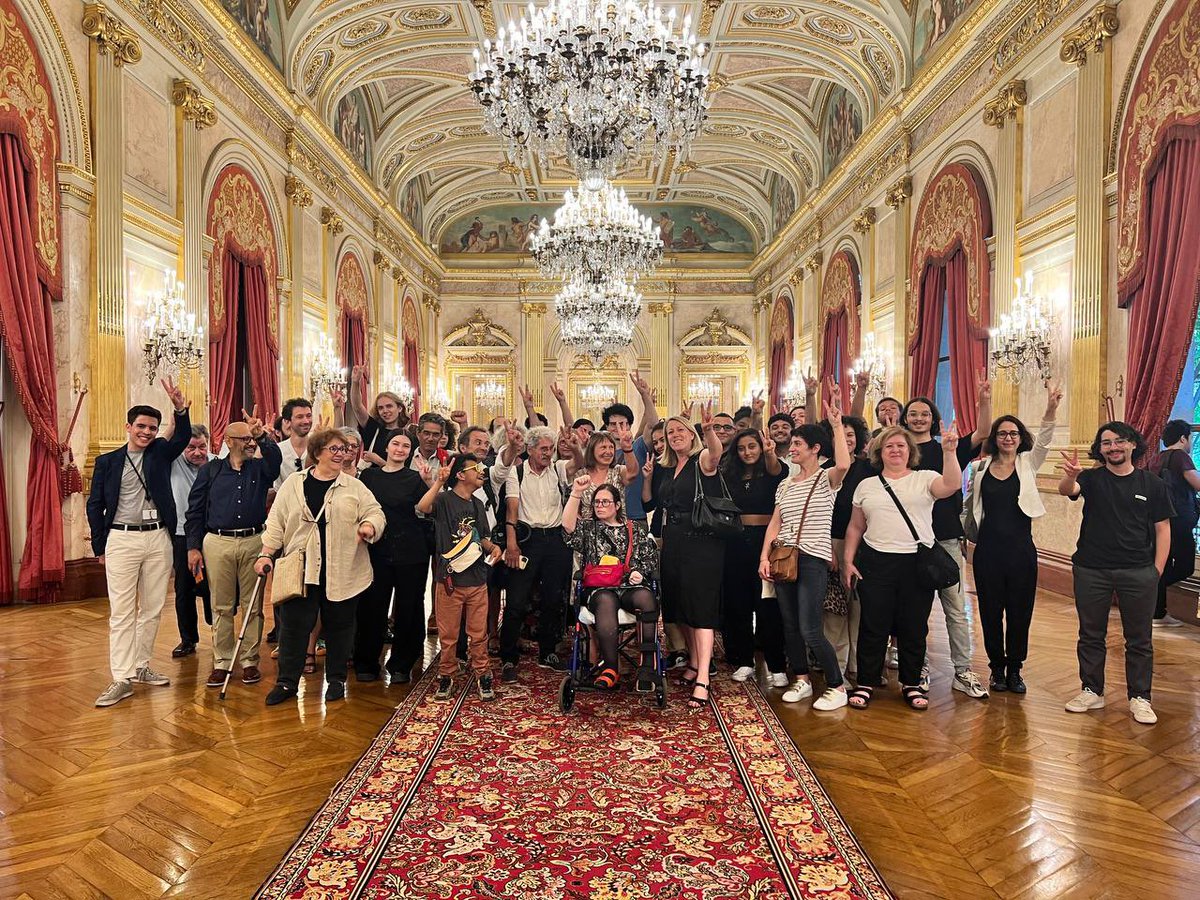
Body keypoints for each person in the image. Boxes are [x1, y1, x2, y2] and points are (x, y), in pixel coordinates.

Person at [255, 428, 385, 705]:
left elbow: (375, 512)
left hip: (343, 566)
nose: (342, 454)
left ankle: (336, 680)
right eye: (335, 449)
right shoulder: (294, 483)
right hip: (302, 568)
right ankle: (287, 682)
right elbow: (276, 521)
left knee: (340, 627)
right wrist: (266, 554)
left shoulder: (354, 486)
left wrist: (369, 525)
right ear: (317, 453)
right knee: (292, 627)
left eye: (345, 449)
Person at [841, 424, 964, 711]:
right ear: (879, 452)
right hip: (876, 561)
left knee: (914, 625)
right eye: (889, 446)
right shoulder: (866, 485)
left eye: (901, 446)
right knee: (873, 625)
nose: (895, 450)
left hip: (915, 563)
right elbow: (856, 526)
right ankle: (866, 682)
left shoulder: (925, 478)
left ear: (910, 451)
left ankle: (911, 683)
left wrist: (949, 451)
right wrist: (848, 560)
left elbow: (952, 485)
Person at [86, 378, 192, 707]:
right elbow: (94, 504)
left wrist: (179, 408)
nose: (146, 432)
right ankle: (121, 677)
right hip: (121, 538)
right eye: (141, 426)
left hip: (158, 537)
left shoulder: (161, 452)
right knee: (121, 613)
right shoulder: (108, 462)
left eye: (152, 428)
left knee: (152, 609)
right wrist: (101, 546)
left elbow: (184, 437)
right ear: (128, 427)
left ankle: (141, 666)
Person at [1059, 422, 1173, 725]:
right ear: (1101, 449)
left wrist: (1157, 571)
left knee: (1139, 639)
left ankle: (1140, 697)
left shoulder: (1152, 484)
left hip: (1138, 571)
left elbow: (1163, 529)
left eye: (1119, 441)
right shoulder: (1092, 479)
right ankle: (1091, 690)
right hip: (1091, 568)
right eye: (1107, 443)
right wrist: (1070, 476)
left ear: (1133, 444)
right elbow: (1068, 490)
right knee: (1090, 634)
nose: (1113, 447)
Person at [964, 384, 1061, 693]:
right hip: (987, 552)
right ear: (995, 438)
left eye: (1013, 434)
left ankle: (1015, 668)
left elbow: (1045, 440)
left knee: (1020, 612)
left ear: (1021, 438)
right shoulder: (981, 468)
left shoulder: (1027, 465)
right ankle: (996, 669)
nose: (1008, 438)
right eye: (1003, 433)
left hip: (1021, 552)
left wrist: (1050, 409)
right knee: (990, 612)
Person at [899, 382, 990, 699]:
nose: (919, 418)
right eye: (913, 413)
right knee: (915, 612)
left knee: (955, 608)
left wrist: (983, 399)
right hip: (910, 542)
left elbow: (982, 432)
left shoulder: (948, 447)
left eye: (925, 413)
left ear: (932, 417)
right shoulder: (898, 452)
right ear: (905, 419)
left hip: (947, 538)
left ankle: (963, 671)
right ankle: (917, 669)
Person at [761, 403, 851, 709]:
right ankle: (802, 680)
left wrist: (837, 425)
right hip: (784, 557)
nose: (792, 448)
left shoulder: (826, 479)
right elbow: (776, 522)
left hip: (812, 559)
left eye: (798, 444)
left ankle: (837, 686)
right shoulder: (785, 484)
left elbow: (844, 465)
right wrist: (764, 557)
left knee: (811, 626)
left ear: (815, 449)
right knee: (790, 625)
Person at [186, 409, 282, 688]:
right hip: (217, 542)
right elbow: (194, 511)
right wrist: (193, 547)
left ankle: (250, 661)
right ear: (228, 441)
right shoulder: (210, 471)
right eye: (245, 439)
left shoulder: (260, 469)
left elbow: (275, 460)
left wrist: (261, 434)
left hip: (254, 541)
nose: (250, 444)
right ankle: (222, 662)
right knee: (221, 605)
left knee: (251, 606)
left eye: (252, 439)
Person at [417, 454, 503, 701]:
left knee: (478, 632)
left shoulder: (477, 504)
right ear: (460, 475)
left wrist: (493, 548)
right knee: (449, 633)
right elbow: (423, 507)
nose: (482, 471)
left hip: (477, 579)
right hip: (450, 581)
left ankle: (482, 672)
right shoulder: (444, 500)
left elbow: (482, 536)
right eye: (476, 468)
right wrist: (436, 482)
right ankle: (447, 674)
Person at [562, 480, 661, 691]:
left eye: (605, 502)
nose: (599, 506)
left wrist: (638, 572)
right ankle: (610, 667)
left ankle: (647, 667)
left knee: (646, 597)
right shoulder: (589, 529)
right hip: (600, 589)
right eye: (597, 502)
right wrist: (577, 492)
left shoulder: (634, 529)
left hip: (628, 587)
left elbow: (650, 559)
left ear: (617, 505)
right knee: (606, 600)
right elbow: (568, 527)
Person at [657, 404, 724, 710]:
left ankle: (704, 679)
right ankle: (695, 662)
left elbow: (716, 454)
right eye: (670, 432)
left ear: (691, 433)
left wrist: (709, 429)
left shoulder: (701, 460)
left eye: (680, 430)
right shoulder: (672, 467)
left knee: (701, 609)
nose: (674, 436)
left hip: (702, 544)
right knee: (679, 606)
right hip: (673, 543)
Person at [500, 425, 574, 681]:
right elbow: (511, 511)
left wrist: (572, 444)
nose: (548, 453)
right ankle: (508, 657)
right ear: (530, 449)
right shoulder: (516, 472)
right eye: (543, 448)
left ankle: (548, 651)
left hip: (555, 540)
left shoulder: (558, 469)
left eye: (551, 448)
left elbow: (581, 462)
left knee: (553, 599)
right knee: (517, 601)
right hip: (526, 540)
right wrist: (512, 544)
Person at [357, 430, 428, 683]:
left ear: (411, 451)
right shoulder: (369, 476)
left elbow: (427, 508)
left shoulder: (415, 478)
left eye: (406, 446)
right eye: (396, 444)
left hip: (412, 550)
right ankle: (366, 662)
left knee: (409, 607)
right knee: (372, 606)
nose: (400, 449)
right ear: (386, 448)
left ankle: (401, 664)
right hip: (376, 549)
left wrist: (429, 483)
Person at [720, 428, 787, 686]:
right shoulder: (731, 475)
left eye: (752, 446)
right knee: (738, 605)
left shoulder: (771, 472)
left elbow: (775, 470)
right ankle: (745, 661)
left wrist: (770, 452)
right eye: (741, 448)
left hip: (766, 542)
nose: (747, 452)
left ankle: (777, 664)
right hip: (735, 542)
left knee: (768, 605)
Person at [823, 414, 874, 681]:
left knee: (860, 607)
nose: (845, 439)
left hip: (865, 544)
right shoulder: (825, 471)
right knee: (835, 609)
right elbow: (821, 513)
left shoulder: (869, 469)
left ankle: (857, 663)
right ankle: (836, 668)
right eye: (839, 434)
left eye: (850, 434)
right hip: (832, 542)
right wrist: (829, 549)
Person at [1150, 419, 1199, 627]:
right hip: (1178, 521)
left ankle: (1157, 611)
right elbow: (1196, 483)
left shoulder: (1155, 459)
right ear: (1182, 438)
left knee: (1161, 563)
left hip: (1158, 521)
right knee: (1186, 566)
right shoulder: (1180, 456)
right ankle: (1148, 590)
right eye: (1190, 438)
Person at [169, 425, 212, 658]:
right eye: (191, 448)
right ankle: (188, 639)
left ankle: (219, 633)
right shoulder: (174, 462)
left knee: (214, 587)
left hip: (213, 534)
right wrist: (177, 425)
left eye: (202, 446)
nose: (198, 452)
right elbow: (161, 448)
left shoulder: (217, 463)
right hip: (182, 534)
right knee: (183, 589)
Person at [348, 366, 409, 466]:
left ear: (399, 408)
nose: (385, 411)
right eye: (380, 408)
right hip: (370, 480)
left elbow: (405, 470)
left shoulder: (407, 436)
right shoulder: (373, 428)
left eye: (389, 406)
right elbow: (357, 407)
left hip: (393, 481)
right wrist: (355, 382)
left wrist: (378, 460)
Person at [576, 431, 637, 519]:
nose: (608, 452)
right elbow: (574, 508)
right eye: (603, 447)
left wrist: (627, 448)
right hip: (588, 530)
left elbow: (633, 473)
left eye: (611, 447)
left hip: (617, 530)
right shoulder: (581, 474)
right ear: (592, 450)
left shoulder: (619, 471)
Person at [274, 398, 314, 489]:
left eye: (309, 416)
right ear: (287, 421)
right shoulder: (278, 450)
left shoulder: (318, 447)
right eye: (300, 417)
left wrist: (337, 408)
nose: (306, 421)